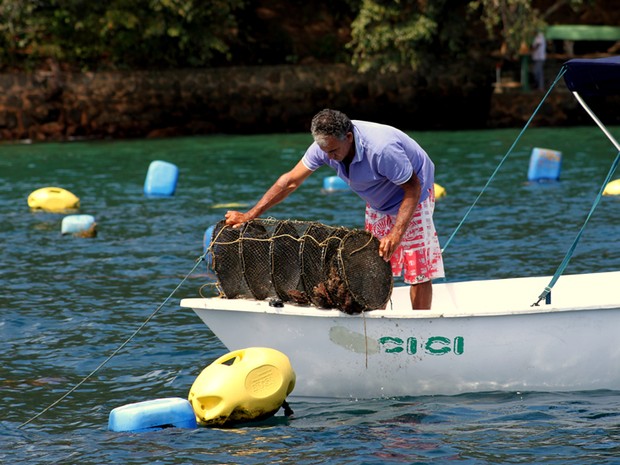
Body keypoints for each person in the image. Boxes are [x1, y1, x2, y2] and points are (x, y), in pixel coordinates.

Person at [225, 109, 444, 310]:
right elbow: (290, 181)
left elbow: (412, 187)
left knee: (417, 269)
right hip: (378, 201)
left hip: (414, 195)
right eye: (324, 150)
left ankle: (421, 327)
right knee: (374, 265)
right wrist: (249, 215)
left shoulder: (382, 150)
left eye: (333, 150)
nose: (329, 156)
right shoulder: (324, 147)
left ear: (348, 137)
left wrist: (396, 234)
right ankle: (379, 322)